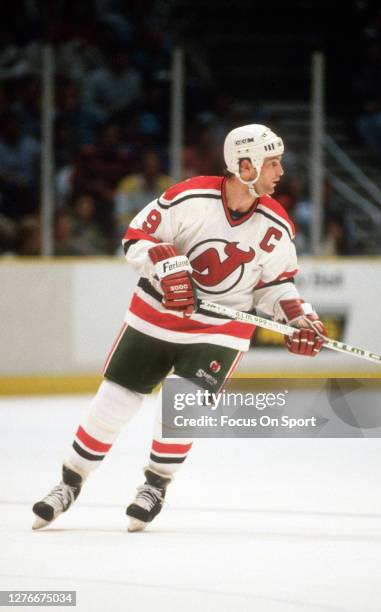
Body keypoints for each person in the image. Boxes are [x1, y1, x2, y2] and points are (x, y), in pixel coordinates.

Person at [32, 124, 326, 532]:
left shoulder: (276, 224)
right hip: (156, 315)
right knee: (114, 403)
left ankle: (155, 485)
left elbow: (276, 284)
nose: (280, 171)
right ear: (245, 165)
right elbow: (137, 237)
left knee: (182, 407)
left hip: (221, 329)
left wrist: (296, 315)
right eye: (272, 163)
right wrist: (164, 264)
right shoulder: (188, 197)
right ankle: (69, 482)